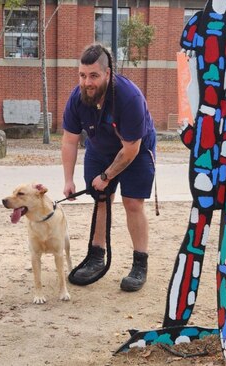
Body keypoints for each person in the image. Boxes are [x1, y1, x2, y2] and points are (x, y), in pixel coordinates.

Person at [61, 43, 156, 292]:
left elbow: (130, 149)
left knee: (132, 203)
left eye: (93, 75)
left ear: (108, 73)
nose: (87, 82)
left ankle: (139, 264)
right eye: (82, 75)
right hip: (99, 147)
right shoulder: (77, 98)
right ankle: (96, 256)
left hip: (135, 147)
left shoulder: (129, 98)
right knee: (101, 199)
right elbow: (70, 140)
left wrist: (107, 175)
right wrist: (68, 180)